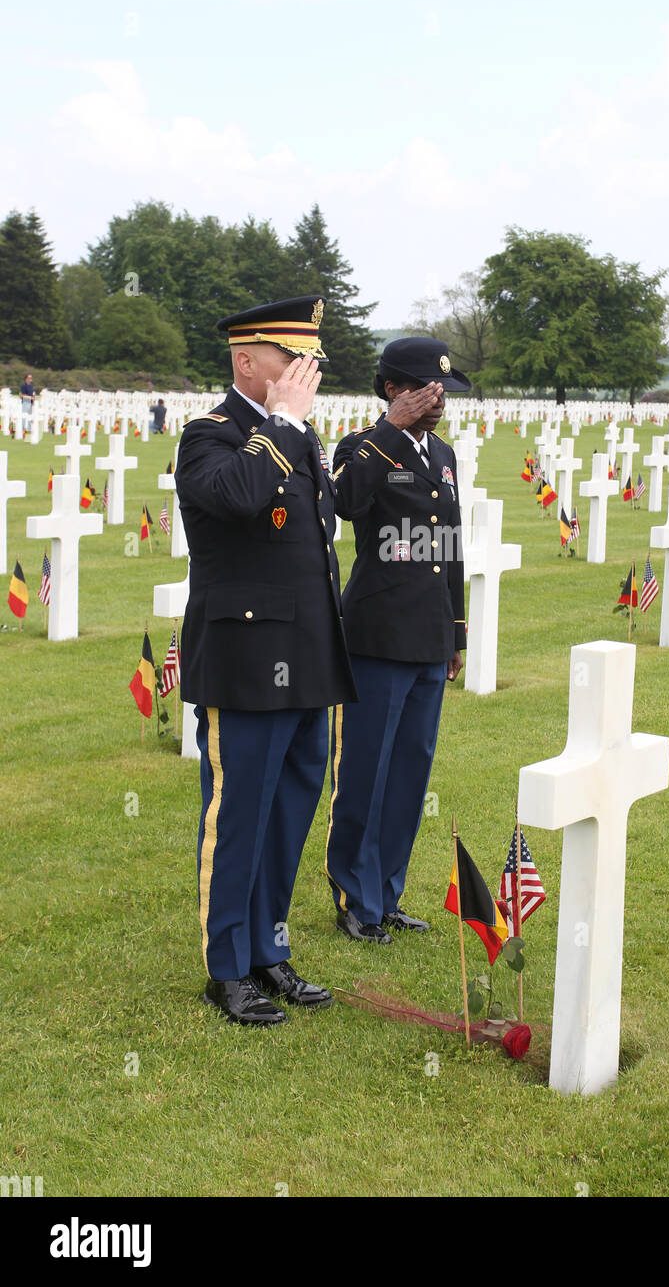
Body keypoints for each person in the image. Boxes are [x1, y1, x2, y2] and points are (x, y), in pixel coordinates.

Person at [175, 296, 355, 1025]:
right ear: (246, 362)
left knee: (289, 811)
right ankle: (227, 968)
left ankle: (268, 948)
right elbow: (241, 500)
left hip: (307, 654)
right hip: (248, 656)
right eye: (293, 360)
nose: (306, 373)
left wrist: (291, 428)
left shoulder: (299, 437)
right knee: (240, 811)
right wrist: (280, 424)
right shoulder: (209, 436)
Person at [325, 337, 470, 943]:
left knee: (411, 772)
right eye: (427, 390)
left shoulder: (443, 455)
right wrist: (389, 431)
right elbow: (346, 502)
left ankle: (386, 894)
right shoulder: (361, 447)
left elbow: (451, 545)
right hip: (378, 635)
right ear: (392, 390)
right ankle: (353, 898)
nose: (439, 401)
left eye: (444, 391)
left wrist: (457, 629)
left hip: (429, 637)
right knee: (366, 770)